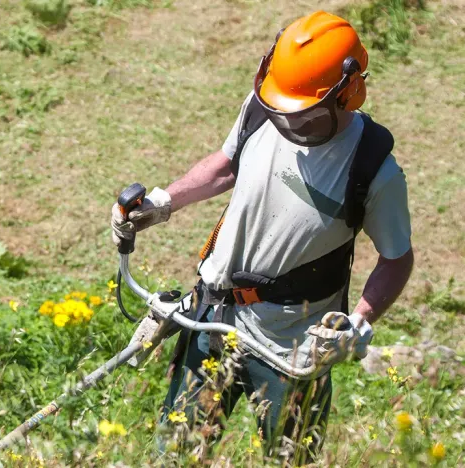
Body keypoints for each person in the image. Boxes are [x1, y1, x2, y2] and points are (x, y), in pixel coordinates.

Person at [110, 11, 414, 461]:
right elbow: (226, 165)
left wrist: (358, 323)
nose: (287, 123)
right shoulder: (266, 108)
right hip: (213, 316)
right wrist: (162, 202)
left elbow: (396, 258)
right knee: (176, 453)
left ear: (348, 94)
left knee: (291, 457)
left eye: (304, 117)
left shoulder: (373, 168)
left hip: (294, 348)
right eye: (280, 111)